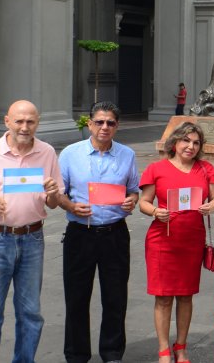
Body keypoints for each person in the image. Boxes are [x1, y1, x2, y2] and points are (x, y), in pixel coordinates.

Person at [0, 99, 63, 363]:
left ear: (38, 122)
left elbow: (53, 203)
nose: (24, 127)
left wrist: (53, 193)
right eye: (19, 121)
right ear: (7, 121)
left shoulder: (47, 152)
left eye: (30, 121)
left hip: (32, 238)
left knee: (31, 313)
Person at [58, 101, 141, 363]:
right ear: (90, 123)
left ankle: (112, 352)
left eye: (110, 123)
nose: (105, 127)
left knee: (115, 296)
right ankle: (76, 354)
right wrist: (71, 206)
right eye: (100, 122)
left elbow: (133, 190)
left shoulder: (127, 154)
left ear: (117, 126)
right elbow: (59, 193)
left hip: (114, 233)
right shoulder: (70, 154)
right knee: (76, 297)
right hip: (80, 233)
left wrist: (131, 201)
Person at [138, 122, 214, 363]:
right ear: (174, 142)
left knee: (186, 296)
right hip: (162, 241)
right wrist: (155, 211)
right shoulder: (156, 168)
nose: (190, 146)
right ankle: (164, 350)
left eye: (196, 142)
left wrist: (210, 206)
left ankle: (181, 347)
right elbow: (143, 202)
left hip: (191, 240)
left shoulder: (206, 169)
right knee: (163, 297)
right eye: (186, 140)